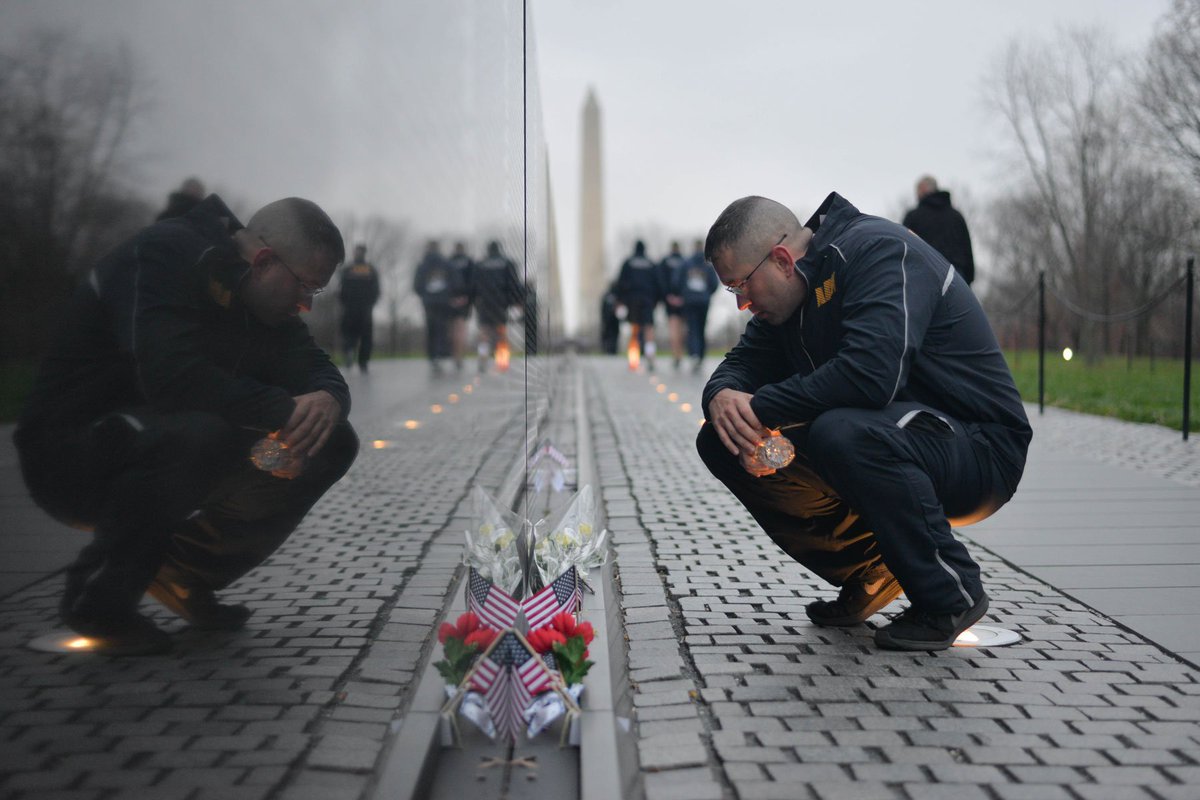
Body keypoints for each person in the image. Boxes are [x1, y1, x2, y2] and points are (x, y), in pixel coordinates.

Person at [13, 194, 358, 656]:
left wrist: (329, 400)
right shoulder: (163, 255)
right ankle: (98, 602)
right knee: (200, 433)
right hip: (71, 451)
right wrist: (283, 412)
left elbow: (314, 363)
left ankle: (183, 573)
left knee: (329, 441)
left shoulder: (265, 305)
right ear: (263, 261)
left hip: (171, 439)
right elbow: (172, 379)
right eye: (306, 288)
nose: (306, 306)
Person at [697, 193, 1030, 650]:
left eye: (740, 286)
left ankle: (949, 593)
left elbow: (872, 376)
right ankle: (871, 571)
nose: (741, 304)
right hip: (894, 437)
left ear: (780, 260)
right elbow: (739, 365)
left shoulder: (878, 251)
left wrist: (761, 409)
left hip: (979, 448)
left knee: (841, 432)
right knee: (722, 440)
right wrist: (721, 399)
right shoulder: (786, 302)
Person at [901, 175, 976, 286]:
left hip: (924, 276)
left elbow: (904, 247)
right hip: (956, 277)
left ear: (922, 189)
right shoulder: (956, 216)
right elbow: (967, 250)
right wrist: (968, 279)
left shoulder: (913, 217)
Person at [472, 240, 521, 373]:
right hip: (501, 303)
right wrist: (517, 301)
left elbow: (473, 285)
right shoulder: (507, 263)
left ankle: (483, 358)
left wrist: (474, 301)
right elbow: (514, 284)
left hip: (484, 303)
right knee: (501, 333)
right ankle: (502, 361)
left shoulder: (480, 264)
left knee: (484, 333)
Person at [615, 240, 660, 371]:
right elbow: (658, 284)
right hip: (648, 300)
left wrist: (620, 300)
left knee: (634, 330)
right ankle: (650, 356)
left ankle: (633, 359)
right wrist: (656, 301)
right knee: (649, 329)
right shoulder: (651, 263)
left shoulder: (628, 263)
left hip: (632, 300)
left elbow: (621, 283)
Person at [413, 240, 455, 375]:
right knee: (441, 327)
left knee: (431, 327)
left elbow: (417, 285)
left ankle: (432, 355)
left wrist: (425, 294)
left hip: (429, 302)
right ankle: (440, 354)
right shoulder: (446, 263)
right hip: (443, 301)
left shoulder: (423, 265)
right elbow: (455, 280)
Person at [337, 244, 381, 372]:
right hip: (358, 308)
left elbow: (342, 288)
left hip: (356, 307)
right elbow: (376, 289)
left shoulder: (350, 269)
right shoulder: (367, 269)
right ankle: (358, 359)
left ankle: (356, 356)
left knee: (355, 334)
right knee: (360, 335)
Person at [678, 238, 719, 374]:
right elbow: (714, 283)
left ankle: (694, 354)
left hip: (690, 301)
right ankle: (700, 356)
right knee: (701, 329)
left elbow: (677, 280)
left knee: (692, 328)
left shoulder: (686, 263)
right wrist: (707, 294)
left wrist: (684, 293)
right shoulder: (707, 265)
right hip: (703, 301)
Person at [658, 241, 687, 369]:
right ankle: (680, 354)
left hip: (669, 300)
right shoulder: (684, 261)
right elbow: (687, 281)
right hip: (683, 300)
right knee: (681, 329)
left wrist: (667, 296)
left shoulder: (665, 262)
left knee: (673, 328)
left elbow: (661, 280)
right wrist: (682, 297)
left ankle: (675, 354)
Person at [447, 241, 475, 371]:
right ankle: (459, 355)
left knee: (453, 329)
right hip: (464, 299)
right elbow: (473, 281)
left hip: (451, 299)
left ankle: (455, 355)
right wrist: (470, 298)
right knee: (461, 328)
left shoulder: (448, 262)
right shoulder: (469, 262)